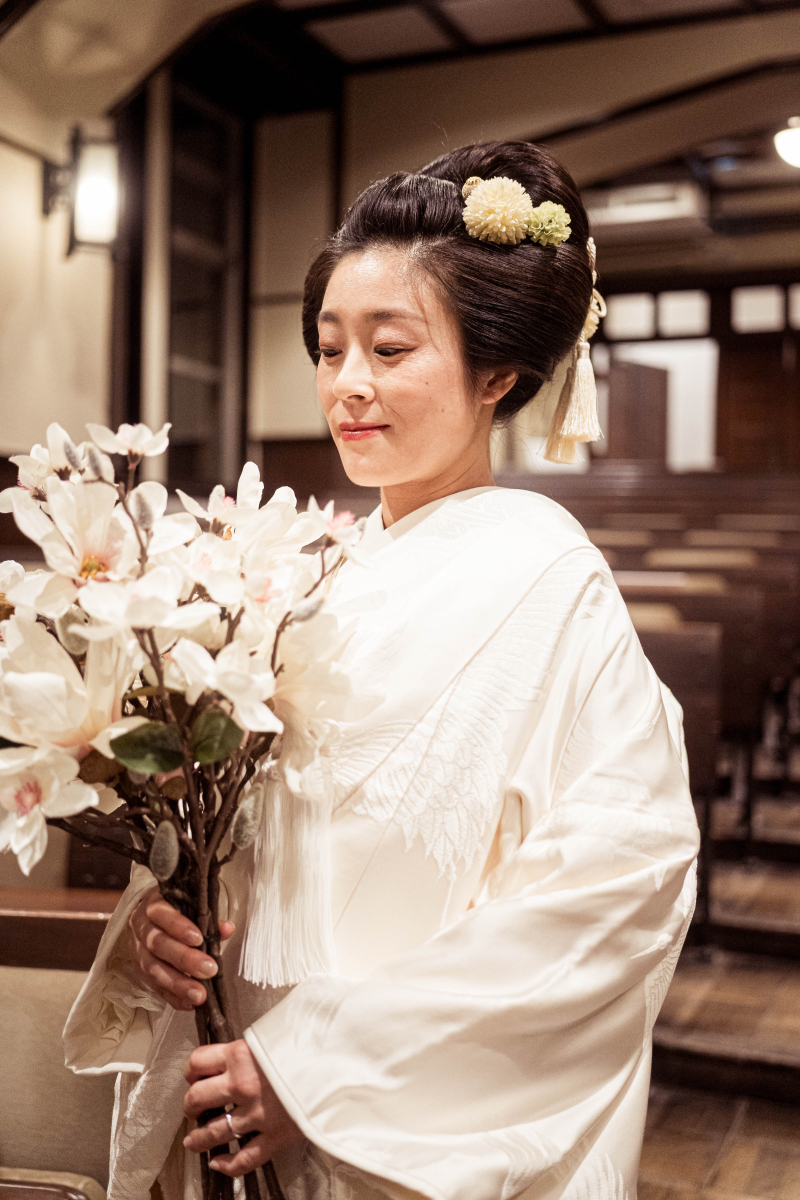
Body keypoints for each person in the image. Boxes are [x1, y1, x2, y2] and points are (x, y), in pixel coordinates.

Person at [64, 141, 699, 1200]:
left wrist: (318, 1069)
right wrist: (159, 925)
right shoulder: (299, 578)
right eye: (329, 349)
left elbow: (619, 878)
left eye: (390, 348)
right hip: (237, 1074)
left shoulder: (552, 580)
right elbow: (229, 835)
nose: (347, 384)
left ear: (495, 373)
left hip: (400, 1114)